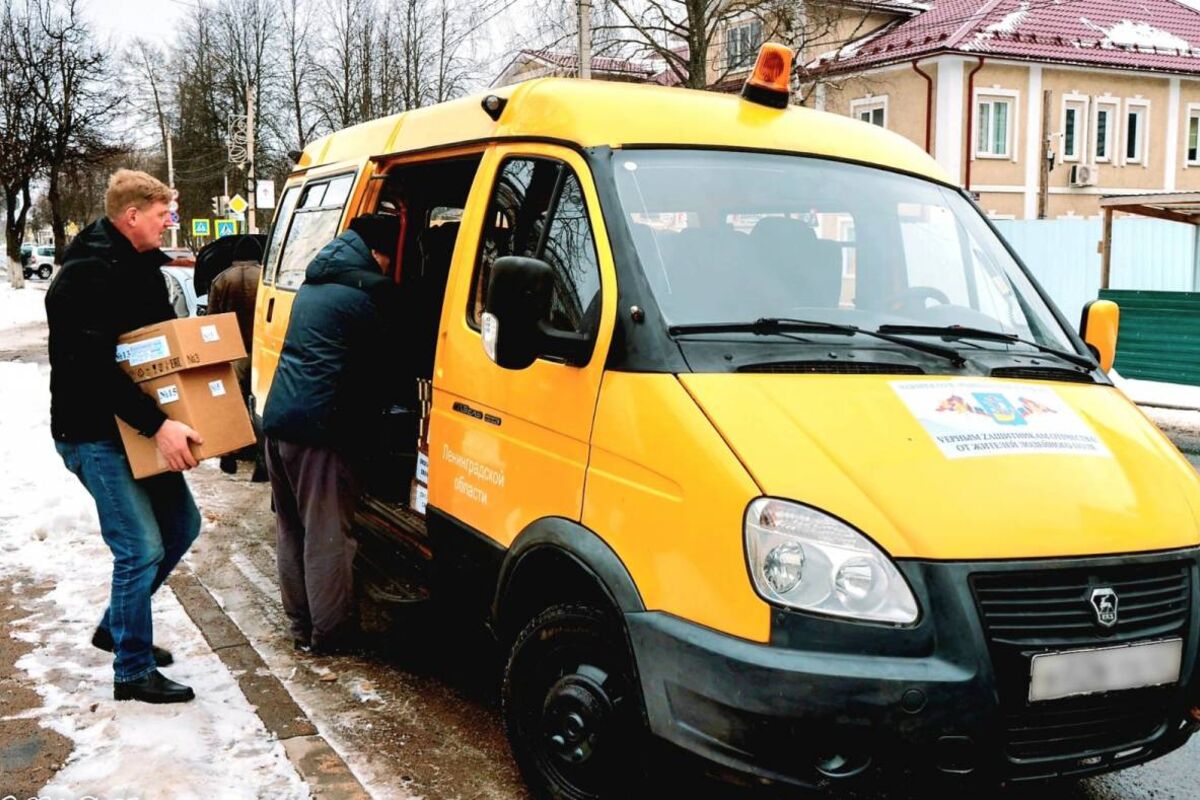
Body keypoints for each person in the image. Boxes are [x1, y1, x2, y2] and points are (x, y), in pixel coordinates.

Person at [45, 169, 204, 704]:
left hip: (132, 428)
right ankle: (132, 671)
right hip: (93, 433)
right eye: (163, 215)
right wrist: (159, 425)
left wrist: (190, 412)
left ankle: (118, 627)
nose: (170, 223)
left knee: (182, 525)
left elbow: (158, 353)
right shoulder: (84, 275)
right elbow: (92, 369)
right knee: (139, 548)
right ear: (131, 215)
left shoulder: (141, 267)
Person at [263, 213, 402, 655]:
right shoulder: (368, 294)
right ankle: (332, 635)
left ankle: (302, 624)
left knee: (292, 528)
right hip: (319, 434)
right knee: (327, 537)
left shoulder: (315, 283)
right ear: (378, 253)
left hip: (280, 421)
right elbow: (389, 364)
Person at [206, 239, 267, 481]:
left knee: (234, 404)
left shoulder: (222, 279)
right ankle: (262, 462)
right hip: (262, 349)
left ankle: (230, 453)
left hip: (233, 351)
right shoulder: (264, 276)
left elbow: (211, 319)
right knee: (261, 405)